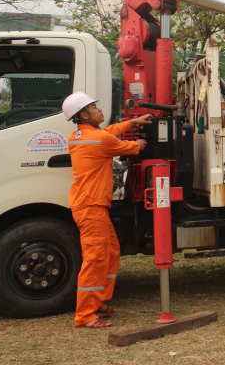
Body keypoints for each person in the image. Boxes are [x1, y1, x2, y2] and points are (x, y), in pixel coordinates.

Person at [62, 92, 150, 329]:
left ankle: (98, 300)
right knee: (95, 258)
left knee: (110, 252)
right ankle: (85, 315)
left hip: (90, 205)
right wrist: (139, 143)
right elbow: (129, 146)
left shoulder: (79, 136)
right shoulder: (99, 140)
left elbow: (109, 132)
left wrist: (132, 122)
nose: (99, 110)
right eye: (94, 107)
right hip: (91, 206)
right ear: (83, 114)